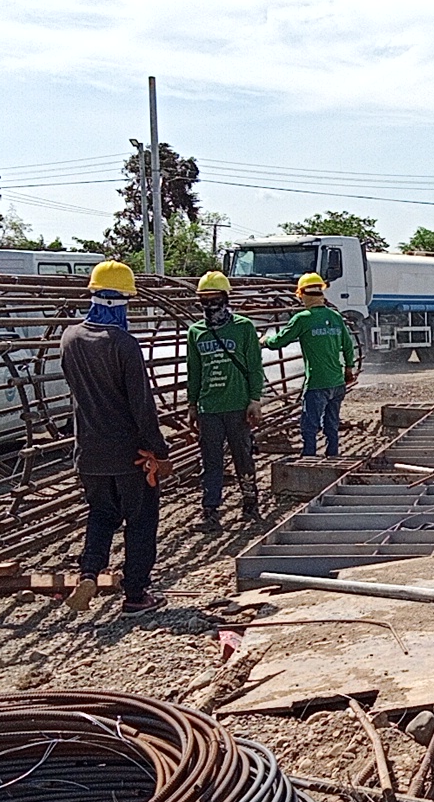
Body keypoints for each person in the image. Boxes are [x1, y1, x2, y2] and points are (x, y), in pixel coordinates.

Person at [61, 260, 172, 616]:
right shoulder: (123, 344)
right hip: (130, 455)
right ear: (124, 301)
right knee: (140, 521)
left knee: (100, 514)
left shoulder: (70, 338)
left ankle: (89, 571)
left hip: (89, 454)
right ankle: (136, 594)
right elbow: (142, 406)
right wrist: (160, 451)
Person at [186, 270, 266, 532]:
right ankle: (209, 511)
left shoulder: (243, 327)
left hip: (237, 406)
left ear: (225, 297)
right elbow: (194, 371)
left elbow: (254, 365)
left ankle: (250, 503)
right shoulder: (196, 332)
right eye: (204, 299)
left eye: (214, 298)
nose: (209, 304)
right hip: (209, 408)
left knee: (243, 456)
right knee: (211, 461)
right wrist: (192, 405)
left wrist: (255, 399)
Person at [263, 272, 359, 458]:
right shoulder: (335, 316)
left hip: (316, 383)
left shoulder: (303, 318)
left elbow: (278, 342)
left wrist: (264, 340)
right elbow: (348, 346)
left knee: (309, 426)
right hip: (337, 382)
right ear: (321, 293)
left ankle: (309, 459)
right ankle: (333, 457)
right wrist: (348, 369)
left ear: (302, 294)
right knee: (331, 424)